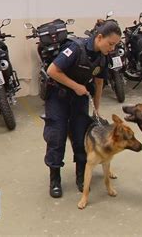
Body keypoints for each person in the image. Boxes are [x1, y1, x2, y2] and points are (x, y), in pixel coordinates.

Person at [43, 21, 122, 198]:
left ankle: (81, 176)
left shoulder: (103, 57)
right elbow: (52, 70)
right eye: (110, 44)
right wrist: (76, 86)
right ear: (99, 37)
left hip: (80, 99)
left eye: (115, 45)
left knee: (80, 137)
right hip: (59, 97)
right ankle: (55, 179)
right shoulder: (75, 49)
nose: (112, 48)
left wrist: (97, 109)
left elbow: (99, 83)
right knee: (57, 136)